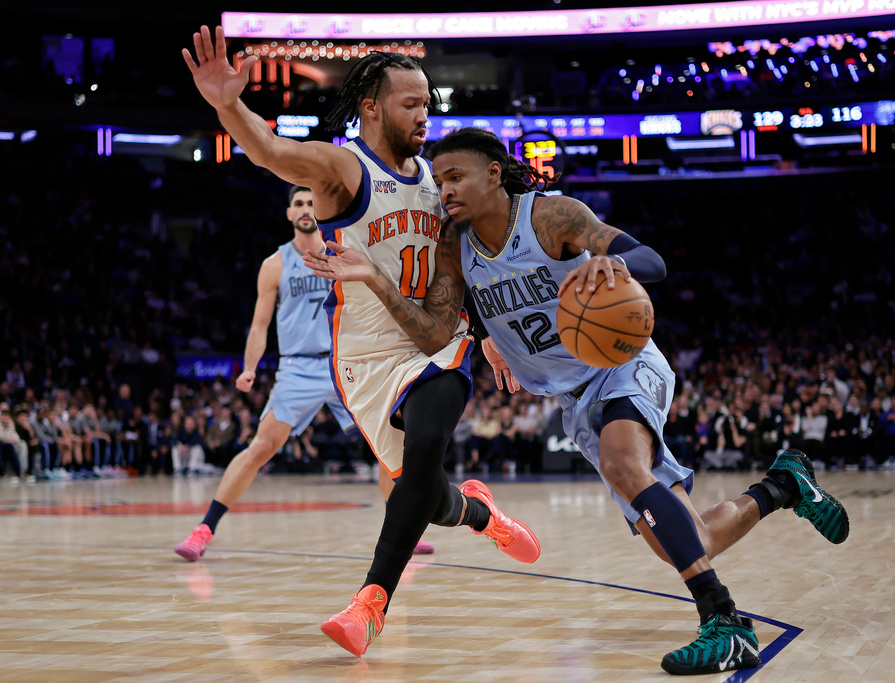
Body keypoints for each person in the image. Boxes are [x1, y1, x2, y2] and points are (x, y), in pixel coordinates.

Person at [304, 127, 850, 675]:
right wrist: (380, 281)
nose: (444, 190)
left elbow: (652, 261)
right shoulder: (454, 244)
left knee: (622, 463)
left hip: (622, 365)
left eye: (456, 176)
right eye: (439, 179)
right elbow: (436, 330)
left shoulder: (551, 218)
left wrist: (615, 264)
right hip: (571, 397)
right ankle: (782, 486)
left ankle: (725, 621)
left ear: (493, 173)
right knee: (688, 540)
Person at [182, 26, 540, 657]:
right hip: (367, 356)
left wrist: (487, 334)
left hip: (435, 338)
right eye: (411, 104)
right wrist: (226, 105)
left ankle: (370, 602)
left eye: (429, 103)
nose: (425, 116)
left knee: (429, 441)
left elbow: (469, 266)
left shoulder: (440, 180)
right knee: (423, 493)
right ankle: (481, 514)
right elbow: (269, 150)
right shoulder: (344, 169)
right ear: (372, 108)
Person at [173, 186, 429, 557]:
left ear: (321, 209)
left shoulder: (345, 253)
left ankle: (404, 531)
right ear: (289, 214)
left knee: (390, 447)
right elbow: (260, 326)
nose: (306, 208)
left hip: (349, 360)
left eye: (311, 202)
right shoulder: (274, 264)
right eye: (298, 204)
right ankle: (203, 530)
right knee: (261, 445)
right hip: (299, 366)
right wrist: (248, 368)